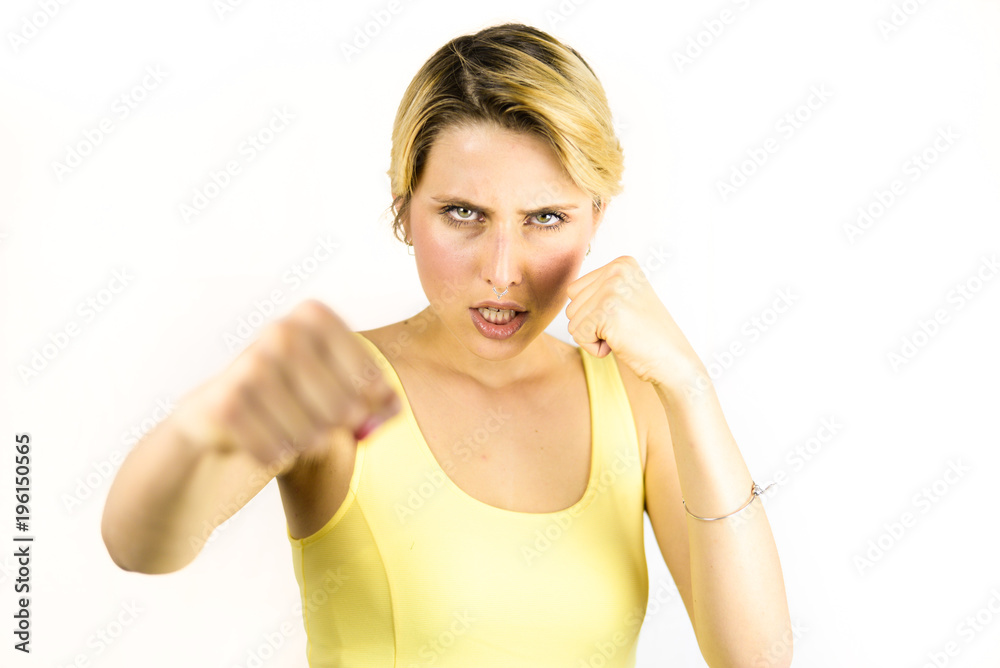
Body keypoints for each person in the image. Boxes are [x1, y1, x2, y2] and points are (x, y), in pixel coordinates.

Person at [101, 22, 792, 667]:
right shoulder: (339, 384)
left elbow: (757, 657)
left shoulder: (634, 400)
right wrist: (212, 414)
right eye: (464, 213)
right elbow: (139, 548)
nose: (502, 268)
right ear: (404, 206)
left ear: (596, 219)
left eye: (546, 218)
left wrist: (690, 385)